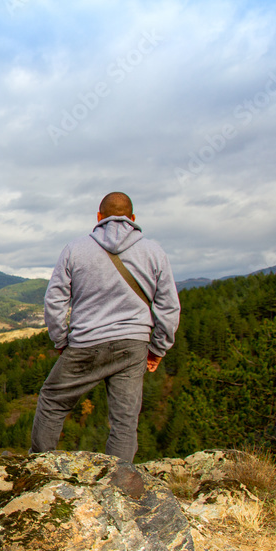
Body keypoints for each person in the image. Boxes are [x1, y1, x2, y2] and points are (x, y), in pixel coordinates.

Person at [29, 192, 181, 463]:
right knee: (124, 421)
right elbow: (168, 308)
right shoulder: (154, 252)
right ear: (132, 219)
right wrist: (158, 349)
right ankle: (119, 481)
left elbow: (54, 301)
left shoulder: (75, 249)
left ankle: (40, 468)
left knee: (52, 401)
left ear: (99, 217)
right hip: (133, 345)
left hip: (85, 342)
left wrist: (61, 340)